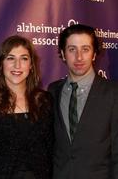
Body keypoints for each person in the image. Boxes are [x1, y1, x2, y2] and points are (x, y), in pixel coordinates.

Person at [48, 24, 118, 179]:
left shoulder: (113, 94)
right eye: (72, 49)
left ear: (94, 54)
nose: (79, 57)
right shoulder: (52, 91)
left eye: (85, 49)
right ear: (63, 53)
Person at [0, 35, 53, 179]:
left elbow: (51, 146)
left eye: (24, 58)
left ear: (31, 65)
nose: (17, 65)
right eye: (10, 58)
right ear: (1, 63)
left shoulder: (45, 101)